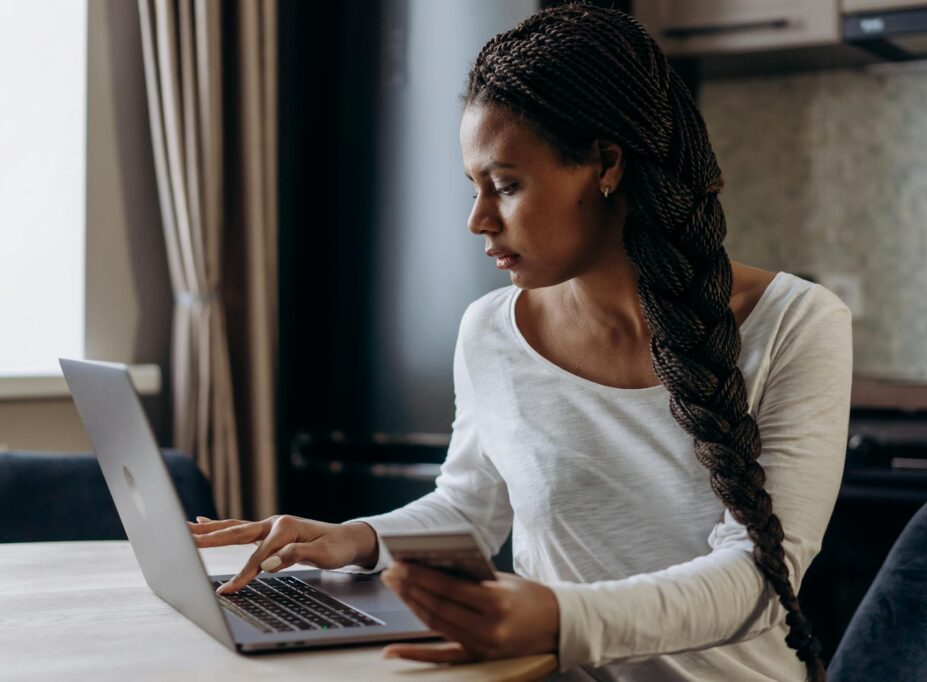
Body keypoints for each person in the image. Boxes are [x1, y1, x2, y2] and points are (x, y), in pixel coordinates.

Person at [190, 5, 852, 680]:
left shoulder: (797, 324)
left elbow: (758, 577)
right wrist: (357, 538)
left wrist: (560, 620)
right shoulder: (490, 330)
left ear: (607, 165)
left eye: (505, 185)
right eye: (475, 187)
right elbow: (469, 510)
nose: (478, 220)